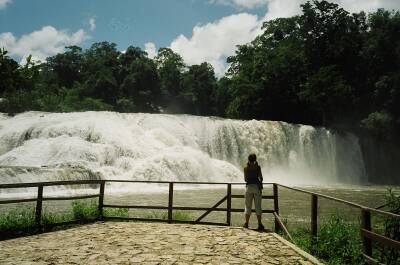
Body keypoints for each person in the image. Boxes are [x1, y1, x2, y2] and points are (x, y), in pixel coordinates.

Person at [243, 153, 264, 230]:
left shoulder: (246, 168)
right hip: (256, 187)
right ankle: (259, 224)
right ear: (255, 159)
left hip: (248, 187)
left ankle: (246, 223)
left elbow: (245, 179)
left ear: (248, 159)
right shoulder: (258, 167)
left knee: (248, 206)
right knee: (258, 206)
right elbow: (261, 178)